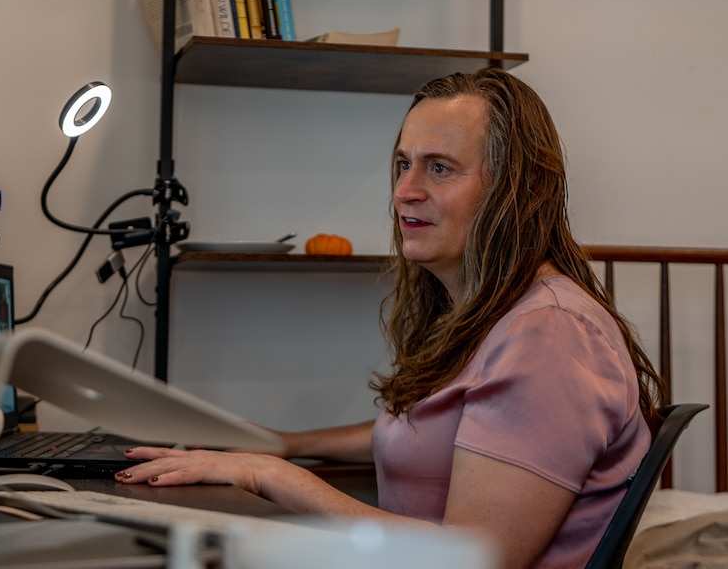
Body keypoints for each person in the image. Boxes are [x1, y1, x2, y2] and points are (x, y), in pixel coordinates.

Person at [114, 67, 668, 569]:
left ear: (513, 192)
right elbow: (441, 428)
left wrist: (273, 476)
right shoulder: (496, 312)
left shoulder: (551, 332)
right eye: (403, 164)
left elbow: (477, 560)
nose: (405, 190)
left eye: (440, 168)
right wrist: (288, 441)